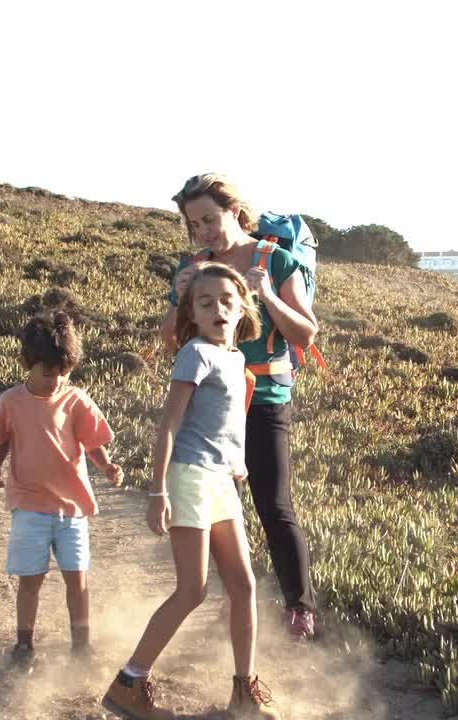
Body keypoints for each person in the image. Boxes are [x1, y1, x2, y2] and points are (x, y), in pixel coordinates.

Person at [103, 263, 280, 719]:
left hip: (221, 480)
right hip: (189, 476)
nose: (219, 308)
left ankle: (244, 690)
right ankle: (129, 682)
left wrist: (236, 462)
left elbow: (229, 419)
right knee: (192, 590)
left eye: (227, 299)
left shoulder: (238, 359)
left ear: (243, 304)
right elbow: (169, 425)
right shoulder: (195, 354)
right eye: (206, 303)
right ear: (192, 314)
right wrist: (156, 490)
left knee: (242, 586)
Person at [161, 174, 320, 644]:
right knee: (222, 509)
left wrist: (267, 294)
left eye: (210, 218)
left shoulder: (277, 259)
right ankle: (237, 600)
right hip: (211, 403)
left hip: (267, 398)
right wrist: (180, 297)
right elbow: (170, 339)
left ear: (234, 210)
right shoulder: (194, 268)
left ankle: (300, 609)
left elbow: (306, 334)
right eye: (195, 224)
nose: (205, 231)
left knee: (273, 505)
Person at [0, 311, 122, 670]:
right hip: (29, 507)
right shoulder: (10, 402)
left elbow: (92, 442)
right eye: (48, 373)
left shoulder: (76, 399)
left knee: (77, 580)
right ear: (26, 364)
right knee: (29, 581)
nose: (56, 380)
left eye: (64, 372)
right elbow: (1, 440)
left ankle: (81, 647)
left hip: (71, 509)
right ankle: (24, 646)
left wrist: (106, 466)